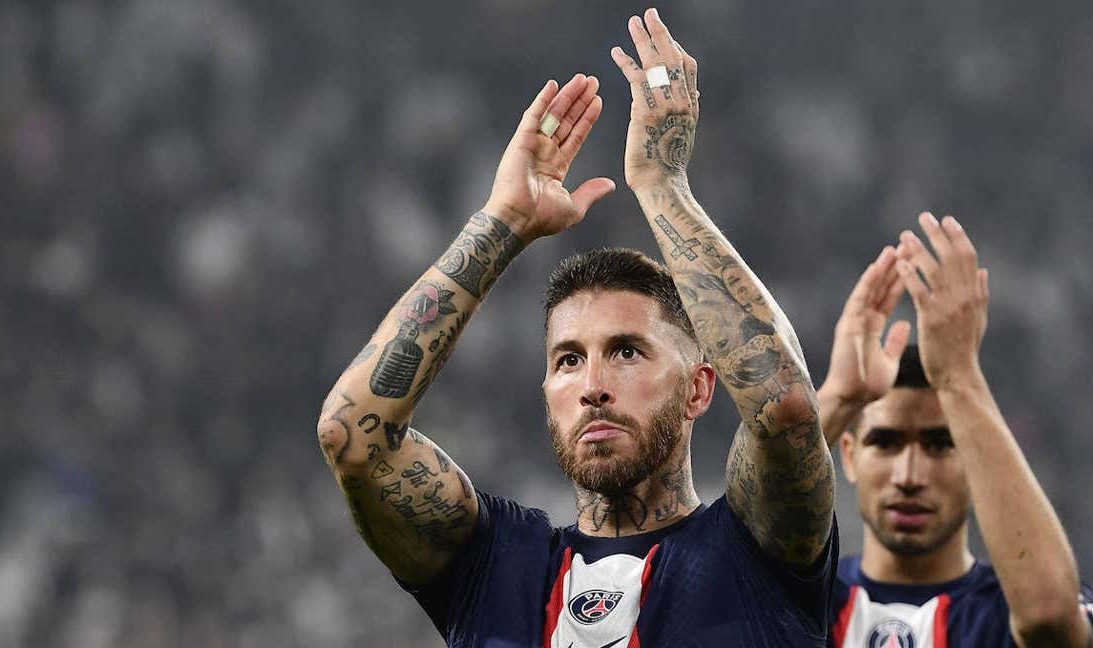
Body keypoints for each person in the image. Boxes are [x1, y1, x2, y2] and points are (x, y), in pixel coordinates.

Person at [317, 9, 837, 647]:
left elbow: (783, 405)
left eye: (625, 352)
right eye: (567, 360)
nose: (592, 384)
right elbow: (352, 435)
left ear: (700, 389)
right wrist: (503, 221)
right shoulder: (495, 565)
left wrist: (663, 187)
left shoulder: (752, 548)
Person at [817, 214, 1093, 647]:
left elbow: (1049, 619)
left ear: (976, 458)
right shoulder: (797, 602)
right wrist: (837, 397)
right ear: (848, 454)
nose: (910, 476)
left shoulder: (1007, 610)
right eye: (886, 442)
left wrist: (960, 378)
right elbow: (734, 540)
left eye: (940, 444)